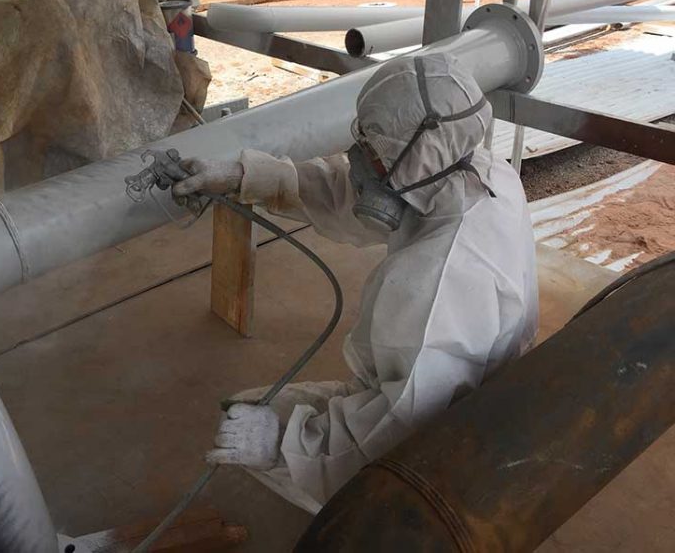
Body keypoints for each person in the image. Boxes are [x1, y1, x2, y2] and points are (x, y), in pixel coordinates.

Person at [172, 53, 539, 514]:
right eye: (363, 139)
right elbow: (353, 191)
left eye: (375, 152)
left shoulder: (434, 283)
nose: (358, 160)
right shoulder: (476, 173)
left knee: (256, 429)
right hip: (462, 385)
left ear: (415, 160)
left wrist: (282, 443)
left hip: (441, 434)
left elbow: (399, 424)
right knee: (250, 406)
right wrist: (251, 177)